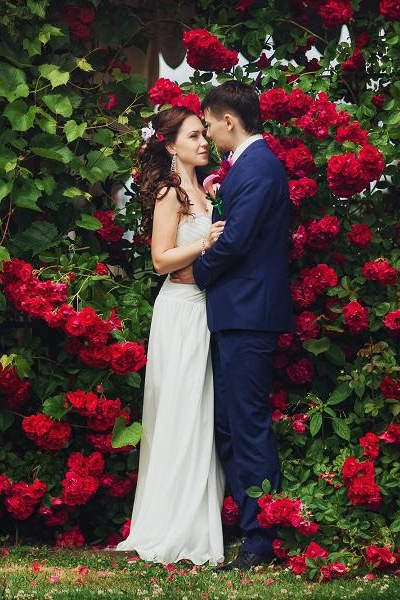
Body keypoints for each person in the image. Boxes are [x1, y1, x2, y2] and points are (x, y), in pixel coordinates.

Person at [170, 81, 294, 571]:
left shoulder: (259, 166)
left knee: (248, 424)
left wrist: (195, 273)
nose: (207, 136)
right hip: (234, 314)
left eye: (209, 124)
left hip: (249, 314)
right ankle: (249, 528)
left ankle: (262, 539)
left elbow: (237, 240)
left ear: (228, 121)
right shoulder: (244, 167)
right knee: (229, 426)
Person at [115, 106, 228, 566]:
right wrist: (206, 242)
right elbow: (161, 260)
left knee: (200, 413)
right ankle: (170, 524)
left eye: (204, 134)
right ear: (170, 145)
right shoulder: (169, 192)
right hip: (180, 310)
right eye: (194, 136)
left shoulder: (204, 190)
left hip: (205, 308)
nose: (204, 142)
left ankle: (198, 519)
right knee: (180, 411)